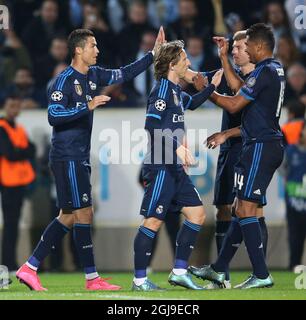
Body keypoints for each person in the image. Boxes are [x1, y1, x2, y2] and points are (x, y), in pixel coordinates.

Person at [16, 26, 166, 291]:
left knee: (68, 216)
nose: (97, 50)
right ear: (78, 49)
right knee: (83, 213)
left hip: (78, 155)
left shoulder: (95, 74)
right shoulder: (63, 81)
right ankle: (91, 278)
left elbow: (125, 72)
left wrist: (152, 55)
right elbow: (53, 115)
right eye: (93, 46)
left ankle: (30, 267)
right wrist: (86, 106)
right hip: (67, 155)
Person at [189, 23, 285, 289]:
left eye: (247, 45)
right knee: (240, 208)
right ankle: (219, 270)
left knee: (245, 209)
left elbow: (233, 103)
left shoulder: (265, 71)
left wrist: (206, 90)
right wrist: (222, 60)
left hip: (260, 145)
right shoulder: (272, 69)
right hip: (263, 144)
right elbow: (240, 87)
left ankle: (261, 274)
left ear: (259, 46)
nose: (244, 50)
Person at [132, 40, 223, 291]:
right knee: (152, 222)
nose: (189, 63)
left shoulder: (175, 91)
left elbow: (191, 103)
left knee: (197, 214)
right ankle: (140, 281)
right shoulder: (161, 90)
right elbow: (151, 125)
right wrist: (176, 146)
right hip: (161, 165)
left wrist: (212, 85)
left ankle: (180, 272)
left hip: (174, 168)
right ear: (173, 65)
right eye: (184, 59)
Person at [0, 95, 36, 272]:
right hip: (7, 183)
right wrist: (22, 151)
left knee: (13, 225)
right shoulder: (2, 128)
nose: (14, 109)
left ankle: (10, 262)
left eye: (16, 105)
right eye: (11, 105)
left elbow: (33, 149)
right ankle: (7, 263)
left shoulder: (19, 128)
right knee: (9, 225)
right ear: (5, 107)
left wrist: (20, 151)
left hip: (20, 182)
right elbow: (9, 153)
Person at [280, 123, 306, 270]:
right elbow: (281, 167)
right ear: (302, 131)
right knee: (295, 237)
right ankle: (294, 265)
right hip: (294, 201)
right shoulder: (291, 150)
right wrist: (288, 179)